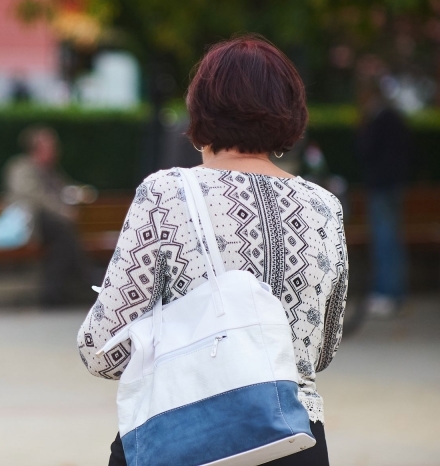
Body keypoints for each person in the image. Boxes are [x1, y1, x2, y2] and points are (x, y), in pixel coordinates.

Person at [78, 36, 348, 466]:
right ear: (291, 109)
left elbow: (102, 350)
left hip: (191, 433)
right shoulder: (324, 207)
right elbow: (322, 350)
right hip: (294, 439)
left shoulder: (167, 194)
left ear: (200, 105)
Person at [2, 125, 97, 306]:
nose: (56, 150)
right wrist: (63, 211)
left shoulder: (50, 170)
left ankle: (56, 293)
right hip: (30, 224)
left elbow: (64, 189)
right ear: (37, 148)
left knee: (63, 241)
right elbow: (36, 197)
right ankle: (88, 280)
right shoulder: (20, 167)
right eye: (51, 146)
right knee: (64, 231)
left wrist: (80, 193)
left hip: (50, 227)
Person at [355, 72, 410, 318]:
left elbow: (367, 150)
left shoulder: (380, 119)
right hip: (391, 185)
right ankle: (394, 292)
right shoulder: (393, 117)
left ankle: (387, 293)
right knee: (390, 240)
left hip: (382, 186)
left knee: (384, 240)